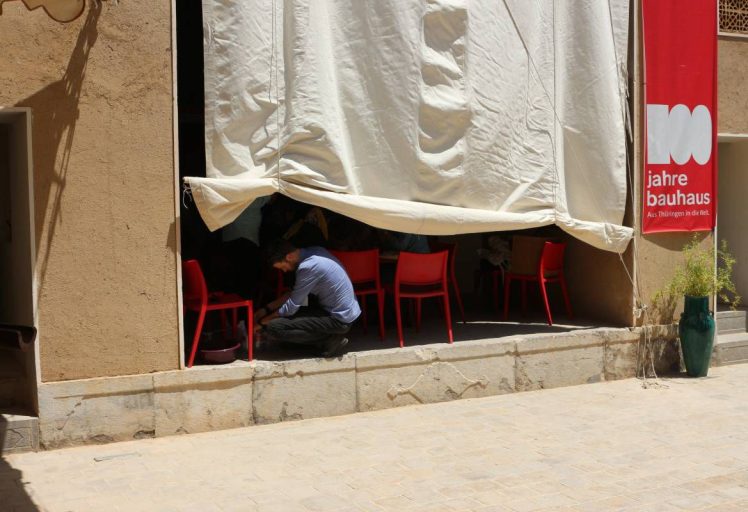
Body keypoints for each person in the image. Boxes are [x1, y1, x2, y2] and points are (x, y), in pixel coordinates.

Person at [254, 240, 361, 357]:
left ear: (289, 257)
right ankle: (322, 339)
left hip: (339, 320)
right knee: (291, 322)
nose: (285, 270)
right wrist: (266, 309)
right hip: (341, 312)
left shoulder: (308, 267)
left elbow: (291, 307)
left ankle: (330, 339)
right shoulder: (316, 251)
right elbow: (294, 295)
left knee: (274, 327)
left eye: (283, 267)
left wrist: (262, 322)